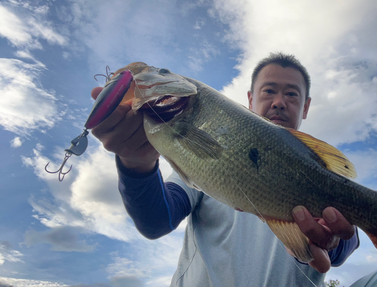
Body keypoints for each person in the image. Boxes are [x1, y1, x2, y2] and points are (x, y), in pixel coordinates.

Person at [91, 53, 359, 286]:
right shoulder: (196, 164)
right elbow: (156, 221)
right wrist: (136, 165)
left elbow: (346, 243)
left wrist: (332, 241)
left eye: (291, 93)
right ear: (250, 100)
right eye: (269, 91)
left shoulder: (323, 173)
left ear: (306, 106)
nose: (279, 101)